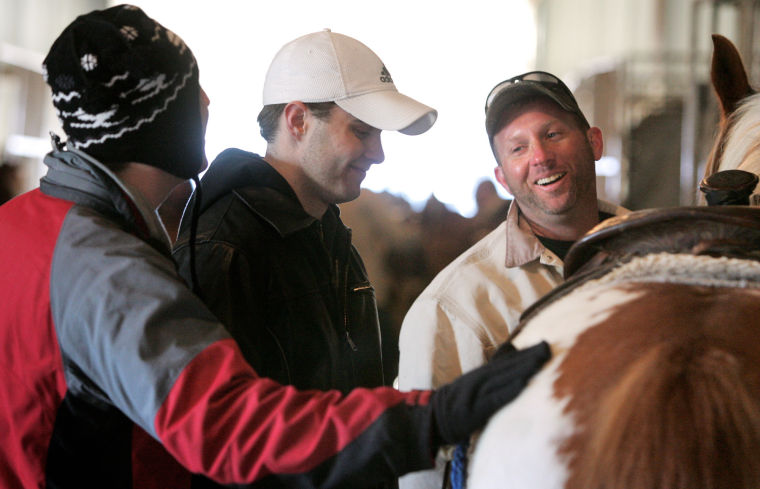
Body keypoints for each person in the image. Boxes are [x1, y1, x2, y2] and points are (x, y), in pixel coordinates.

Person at [0, 6, 551, 489]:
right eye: (191, 91)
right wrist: (437, 415)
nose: (209, 101)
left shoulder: (30, 228)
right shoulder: (110, 267)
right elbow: (232, 428)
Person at [172, 31, 428, 416]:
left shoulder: (325, 232)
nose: (378, 154)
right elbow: (219, 434)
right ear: (297, 120)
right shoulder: (225, 246)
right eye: (361, 130)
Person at [396, 71, 629, 489]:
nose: (540, 156)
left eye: (553, 134)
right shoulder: (457, 305)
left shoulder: (657, 254)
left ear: (595, 142)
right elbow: (422, 469)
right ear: (503, 177)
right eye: (518, 148)